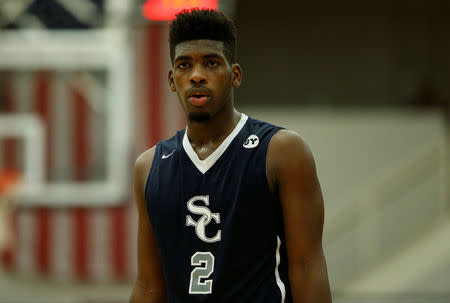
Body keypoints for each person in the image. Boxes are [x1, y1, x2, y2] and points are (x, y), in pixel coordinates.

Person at [130, 8, 332, 303]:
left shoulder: (282, 151)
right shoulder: (148, 168)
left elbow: (307, 267)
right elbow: (149, 285)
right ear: (172, 80)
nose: (197, 75)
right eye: (185, 65)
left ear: (235, 75)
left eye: (211, 63)